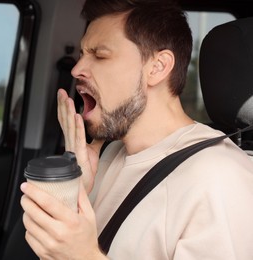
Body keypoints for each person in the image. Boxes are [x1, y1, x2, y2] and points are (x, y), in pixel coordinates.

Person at [20, 0, 253, 259]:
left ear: (157, 67)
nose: (77, 69)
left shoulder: (218, 178)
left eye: (99, 55)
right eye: (82, 54)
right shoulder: (109, 155)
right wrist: (75, 192)